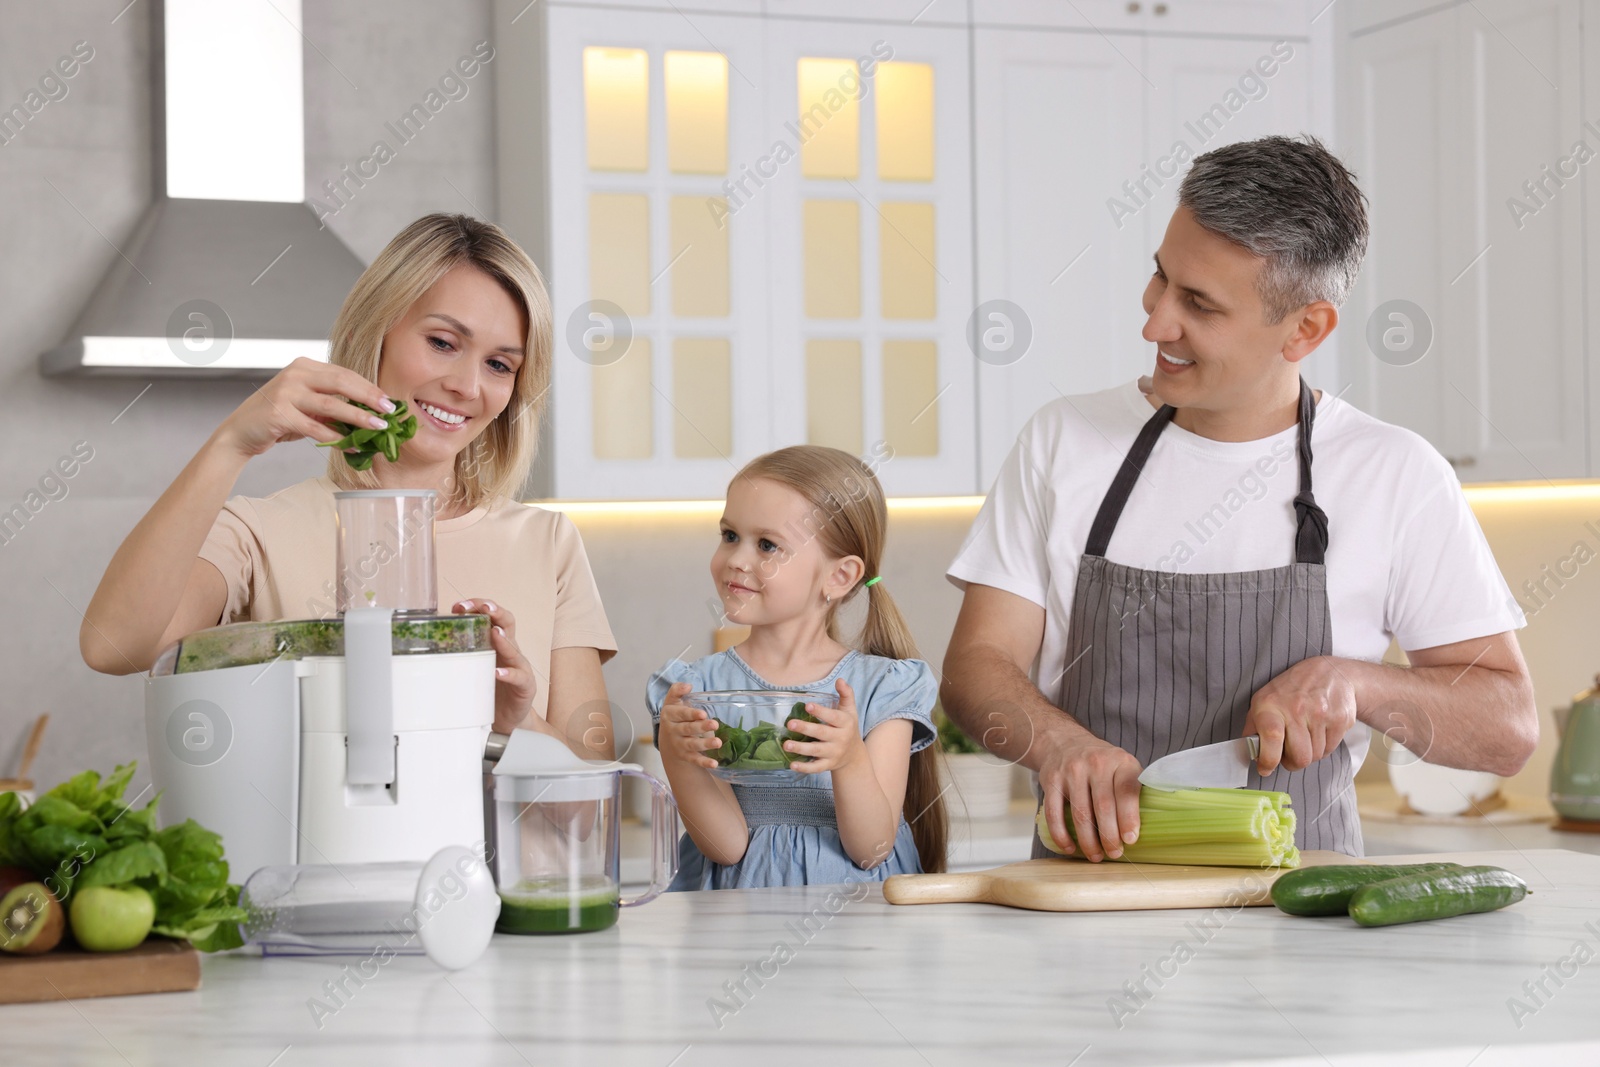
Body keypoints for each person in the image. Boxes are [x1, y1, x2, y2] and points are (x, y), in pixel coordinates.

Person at [941, 135, 1537, 861]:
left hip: (1300, 926)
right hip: (1086, 914)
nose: (1155, 322)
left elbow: (1508, 728)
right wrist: (1058, 744)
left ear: (1306, 328)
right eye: (1160, 279)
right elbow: (976, 667)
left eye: (1199, 304)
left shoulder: (1395, 474)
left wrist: (1356, 683)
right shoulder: (1064, 441)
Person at [80, 213, 618, 753]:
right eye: (443, 342)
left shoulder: (548, 543)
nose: (466, 386)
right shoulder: (258, 532)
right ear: (370, 335)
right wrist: (231, 443)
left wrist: (513, 721)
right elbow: (115, 648)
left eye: (500, 364)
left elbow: (593, 791)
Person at [648, 446, 946, 888]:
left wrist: (849, 761)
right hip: (734, 922)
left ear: (839, 577)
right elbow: (726, 846)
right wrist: (676, 757)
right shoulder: (696, 689)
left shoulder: (882, 688)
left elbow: (873, 850)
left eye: (767, 545)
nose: (736, 558)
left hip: (855, 928)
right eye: (730, 535)